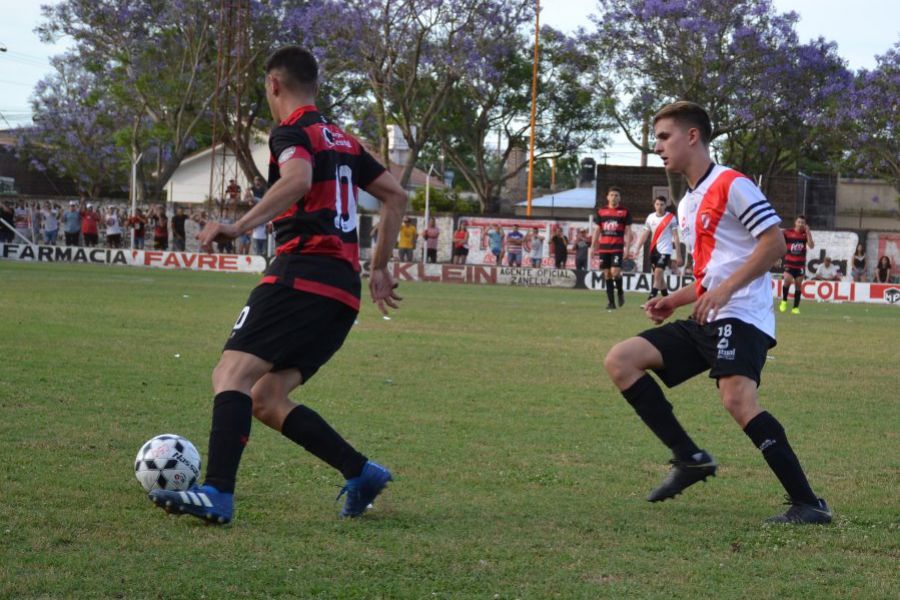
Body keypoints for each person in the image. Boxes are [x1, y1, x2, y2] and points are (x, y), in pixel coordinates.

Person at [148, 45, 407, 524]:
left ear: (273, 85)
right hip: (341, 294)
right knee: (266, 399)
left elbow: (297, 178)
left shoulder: (293, 131)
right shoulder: (345, 140)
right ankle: (360, 471)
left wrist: (238, 226)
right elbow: (396, 195)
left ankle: (218, 493)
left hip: (301, 275)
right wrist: (379, 266)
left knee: (230, 377)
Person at [603, 101, 831, 524]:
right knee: (622, 360)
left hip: (743, 316)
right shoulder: (688, 204)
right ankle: (689, 458)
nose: (658, 148)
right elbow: (711, 275)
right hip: (707, 317)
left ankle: (809, 504)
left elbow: (774, 244)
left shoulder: (733, 184)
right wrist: (674, 300)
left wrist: (724, 290)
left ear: (693, 136)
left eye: (664, 137)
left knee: (737, 399)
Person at [591, 186, 633, 310]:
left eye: (616, 195)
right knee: (607, 274)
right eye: (612, 195)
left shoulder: (624, 212)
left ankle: (620, 292)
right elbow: (597, 230)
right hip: (604, 248)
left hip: (617, 247)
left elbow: (628, 231)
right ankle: (611, 303)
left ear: (619, 198)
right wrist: (593, 246)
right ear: (607, 197)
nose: (614, 197)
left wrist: (628, 248)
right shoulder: (601, 211)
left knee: (615, 272)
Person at [633, 196, 681, 300]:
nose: (659, 207)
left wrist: (678, 255)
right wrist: (637, 248)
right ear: (654, 205)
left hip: (665, 250)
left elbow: (676, 236)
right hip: (653, 250)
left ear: (665, 205)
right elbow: (645, 234)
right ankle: (666, 299)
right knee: (659, 277)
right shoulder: (650, 217)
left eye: (662, 205)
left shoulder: (671, 218)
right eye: (657, 204)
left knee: (658, 272)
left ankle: (651, 297)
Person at [779, 215, 814, 314]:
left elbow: (811, 246)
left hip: (800, 265)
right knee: (787, 280)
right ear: (795, 222)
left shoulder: (805, 234)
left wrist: (808, 233)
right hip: (789, 263)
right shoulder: (788, 232)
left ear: (805, 224)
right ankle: (784, 301)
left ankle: (795, 308)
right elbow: (778, 236)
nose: (801, 224)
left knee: (798, 285)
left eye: (803, 223)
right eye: (799, 222)